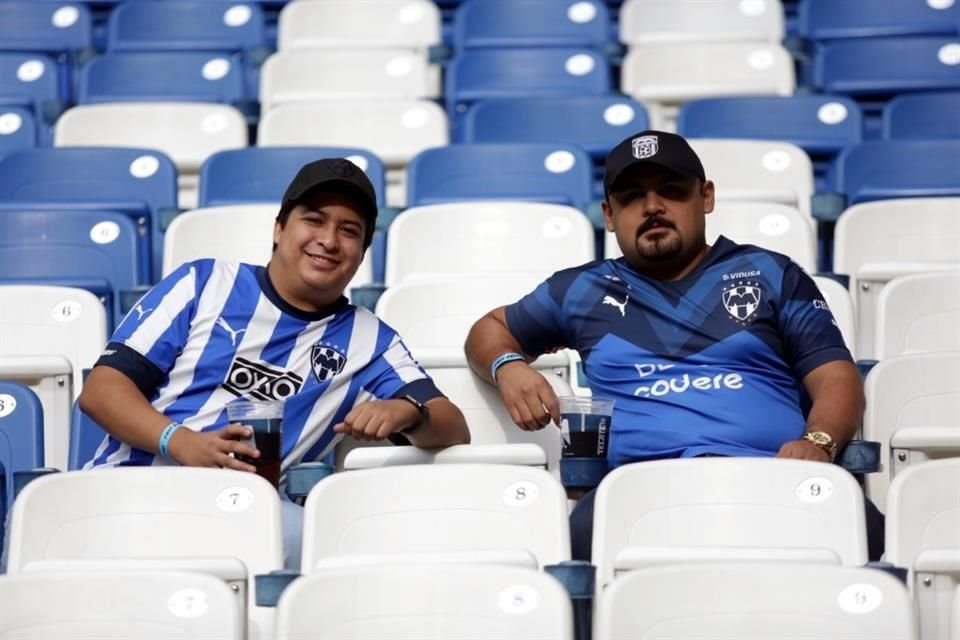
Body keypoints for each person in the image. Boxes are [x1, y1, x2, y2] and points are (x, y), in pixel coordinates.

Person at [464, 130, 884, 561]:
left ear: (705, 197)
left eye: (671, 191)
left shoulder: (770, 273)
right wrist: (510, 365)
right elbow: (488, 329)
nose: (651, 207)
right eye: (631, 198)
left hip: (771, 479)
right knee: (563, 550)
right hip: (640, 495)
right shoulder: (581, 290)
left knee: (867, 531)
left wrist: (819, 441)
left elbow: (835, 375)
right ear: (609, 214)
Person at [77, 158, 470, 568]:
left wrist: (404, 409)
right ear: (280, 228)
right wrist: (181, 442)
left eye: (348, 231)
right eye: (314, 220)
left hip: (245, 514)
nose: (329, 240)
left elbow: (453, 427)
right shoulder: (206, 282)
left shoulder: (371, 341)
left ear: (362, 253)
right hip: (131, 490)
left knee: (334, 548)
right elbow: (102, 391)